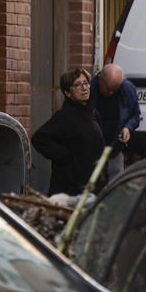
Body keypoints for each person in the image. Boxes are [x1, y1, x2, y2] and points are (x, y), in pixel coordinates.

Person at [32, 69, 106, 197]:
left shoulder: (92, 113)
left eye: (86, 83)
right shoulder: (65, 116)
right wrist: (65, 156)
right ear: (68, 93)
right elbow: (39, 139)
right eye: (77, 85)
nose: (84, 88)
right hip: (70, 188)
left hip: (91, 184)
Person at [92, 63, 143, 176]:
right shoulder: (90, 88)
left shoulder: (127, 89)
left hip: (115, 143)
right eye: (108, 89)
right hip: (93, 143)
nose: (110, 93)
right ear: (100, 79)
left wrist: (127, 128)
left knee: (116, 175)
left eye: (115, 90)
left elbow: (135, 116)